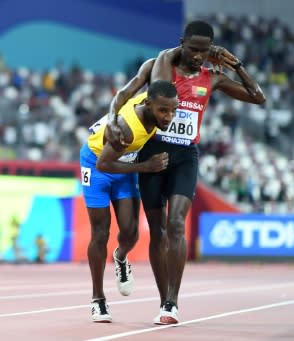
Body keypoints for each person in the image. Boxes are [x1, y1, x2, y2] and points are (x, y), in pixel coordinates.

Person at [107, 20, 266, 325]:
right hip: (154, 151)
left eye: (204, 51)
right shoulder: (160, 66)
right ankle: (162, 294)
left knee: (176, 223)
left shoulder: (213, 77)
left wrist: (238, 65)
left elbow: (258, 97)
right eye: (192, 49)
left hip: (185, 156)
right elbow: (125, 93)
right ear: (182, 43)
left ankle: (171, 303)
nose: (197, 56)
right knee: (158, 230)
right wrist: (114, 120)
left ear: (212, 51)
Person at [81, 80, 178, 322]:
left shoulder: (151, 101)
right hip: (96, 165)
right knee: (100, 233)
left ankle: (121, 256)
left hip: (123, 163)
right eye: (163, 111)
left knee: (131, 232)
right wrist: (146, 166)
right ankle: (98, 300)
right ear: (149, 104)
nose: (169, 117)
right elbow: (104, 163)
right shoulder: (128, 129)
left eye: (173, 110)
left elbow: (137, 79)